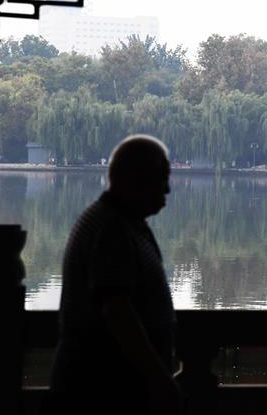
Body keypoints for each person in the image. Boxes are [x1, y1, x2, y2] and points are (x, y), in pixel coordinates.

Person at [46, 135, 183, 415]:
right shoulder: (112, 229)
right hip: (101, 391)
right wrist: (158, 377)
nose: (168, 189)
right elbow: (117, 311)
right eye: (162, 178)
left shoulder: (121, 222)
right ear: (137, 179)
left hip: (111, 386)